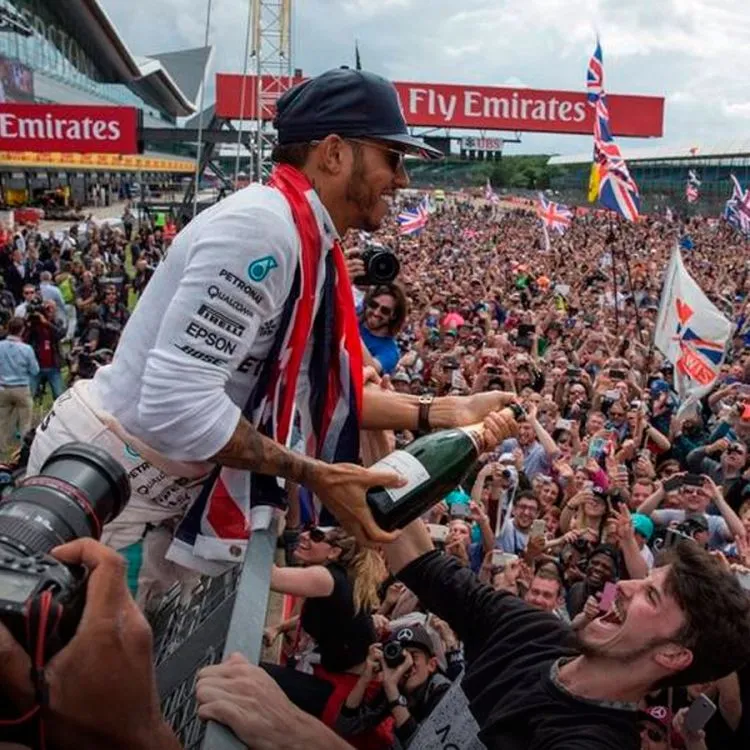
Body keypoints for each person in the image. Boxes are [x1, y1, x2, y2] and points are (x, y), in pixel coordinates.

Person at [25, 67, 518, 574]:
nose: (402, 178)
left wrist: (447, 410)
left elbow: (320, 393)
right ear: (333, 154)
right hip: (109, 488)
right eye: (391, 157)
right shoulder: (262, 229)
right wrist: (318, 474)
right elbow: (175, 406)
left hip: (146, 489)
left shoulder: (307, 241)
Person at [336, 624, 451, 748]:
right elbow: (345, 727)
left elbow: (425, 745)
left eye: (413, 656)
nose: (407, 665)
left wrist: (393, 695)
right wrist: (365, 678)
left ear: (431, 665)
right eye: (401, 658)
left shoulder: (442, 691)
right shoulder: (395, 687)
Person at [0, 317, 38, 452]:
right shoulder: (26, 349)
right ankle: (24, 448)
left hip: (3, 387)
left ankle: (2, 447)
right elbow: (35, 370)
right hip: (21, 387)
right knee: (25, 421)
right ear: (22, 330)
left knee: (2, 420)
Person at [359, 283, 406, 376]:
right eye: (373, 305)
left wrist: (349, 330)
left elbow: (371, 369)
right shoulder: (355, 314)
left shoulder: (390, 352)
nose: (376, 312)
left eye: (385, 311)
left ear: (394, 316)